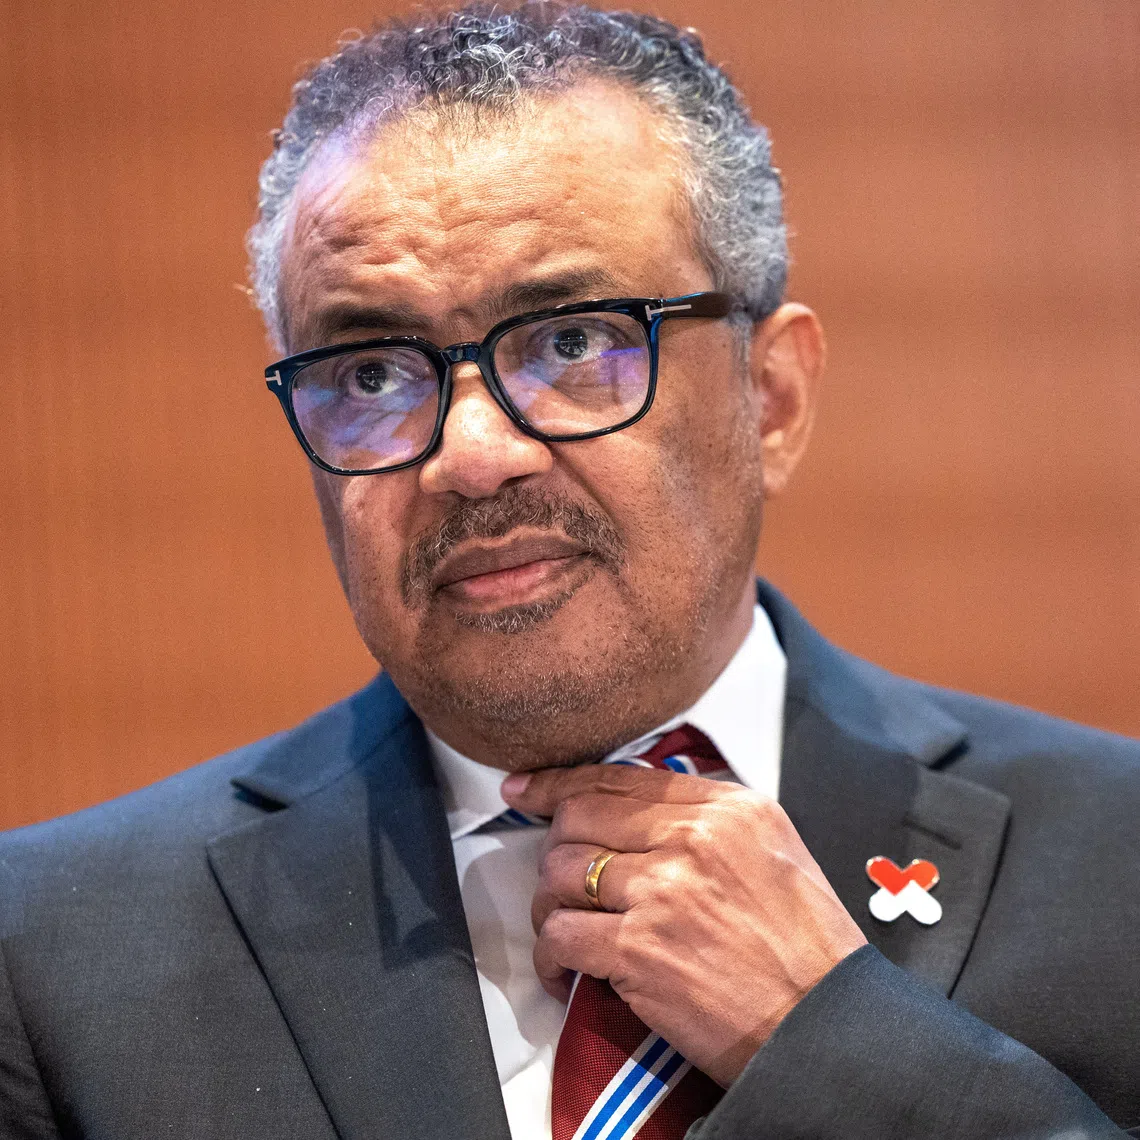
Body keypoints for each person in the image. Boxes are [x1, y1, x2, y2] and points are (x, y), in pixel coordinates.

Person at [0, 4, 1136, 1138]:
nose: (472, 456)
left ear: (772, 398)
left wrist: (836, 1038)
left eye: (575, 342)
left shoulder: (1115, 863)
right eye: (373, 371)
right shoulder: (56, 948)